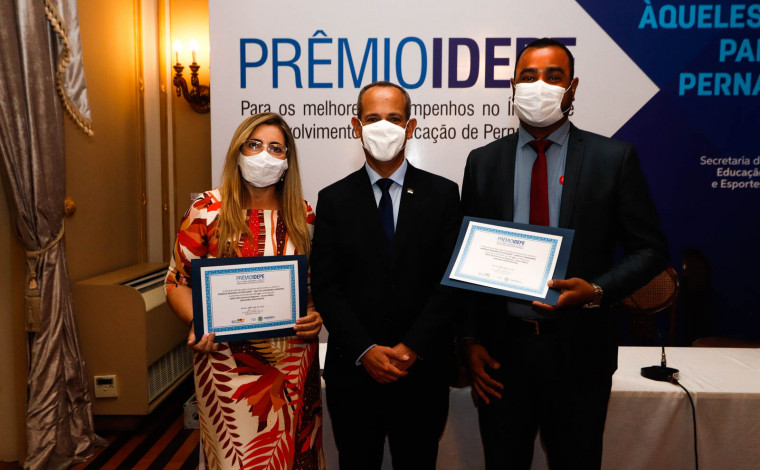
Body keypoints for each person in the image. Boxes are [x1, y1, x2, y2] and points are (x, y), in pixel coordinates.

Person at [460, 38, 668, 469]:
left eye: (553, 77)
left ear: (572, 88)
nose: (540, 86)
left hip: (580, 353)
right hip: (502, 356)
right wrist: (469, 341)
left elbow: (650, 248)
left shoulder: (613, 158)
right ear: (513, 87)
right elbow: (467, 257)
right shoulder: (483, 162)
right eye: (528, 76)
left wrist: (596, 290)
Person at [310, 81, 461, 470]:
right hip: (354, 373)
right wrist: (365, 349)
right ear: (356, 127)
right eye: (373, 118)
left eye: (394, 118)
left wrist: (412, 346)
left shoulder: (443, 194)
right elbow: (326, 286)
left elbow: (450, 282)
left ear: (410, 128)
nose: (383, 127)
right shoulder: (333, 199)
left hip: (422, 371)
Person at [165, 113, 324, 470]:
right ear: (238, 151)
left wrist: (316, 315)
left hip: (293, 365)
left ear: (287, 161)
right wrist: (197, 322)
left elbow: (313, 288)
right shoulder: (206, 210)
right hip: (224, 365)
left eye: (276, 148)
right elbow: (176, 282)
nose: (264, 155)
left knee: (295, 457)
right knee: (235, 458)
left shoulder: (303, 215)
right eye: (254, 145)